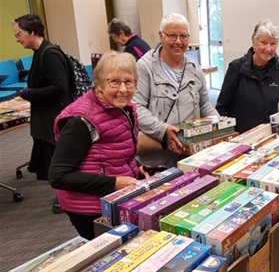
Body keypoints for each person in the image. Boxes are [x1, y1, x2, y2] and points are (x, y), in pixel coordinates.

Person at [48, 51, 148, 240]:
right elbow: (58, 176)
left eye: (129, 82)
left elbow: (115, 152)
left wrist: (136, 168)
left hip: (113, 198)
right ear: (99, 84)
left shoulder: (122, 108)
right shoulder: (81, 120)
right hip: (89, 207)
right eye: (114, 82)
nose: (123, 89)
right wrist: (115, 183)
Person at [132, 13, 218, 166]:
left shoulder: (194, 68)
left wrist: (220, 124)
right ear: (161, 36)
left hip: (190, 155)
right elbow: (136, 108)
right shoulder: (145, 67)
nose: (178, 42)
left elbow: (204, 104)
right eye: (172, 36)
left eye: (183, 36)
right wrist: (163, 130)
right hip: (157, 159)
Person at [12, 14, 74, 213]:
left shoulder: (50, 54)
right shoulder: (40, 52)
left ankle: (66, 197)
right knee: (52, 159)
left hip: (54, 117)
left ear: (32, 32)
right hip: (47, 116)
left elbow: (60, 87)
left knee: (58, 159)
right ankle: (63, 195)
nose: (17, 39)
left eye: (19, 34)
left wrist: (30, 93)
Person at [215, 18, 279, 134]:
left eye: (273, 44)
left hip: (268, 135)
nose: (268, 48)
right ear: (253, 42)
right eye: (263, 42)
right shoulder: (236, 68)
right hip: (241, 135)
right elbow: (222, 107)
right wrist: (227, 134)